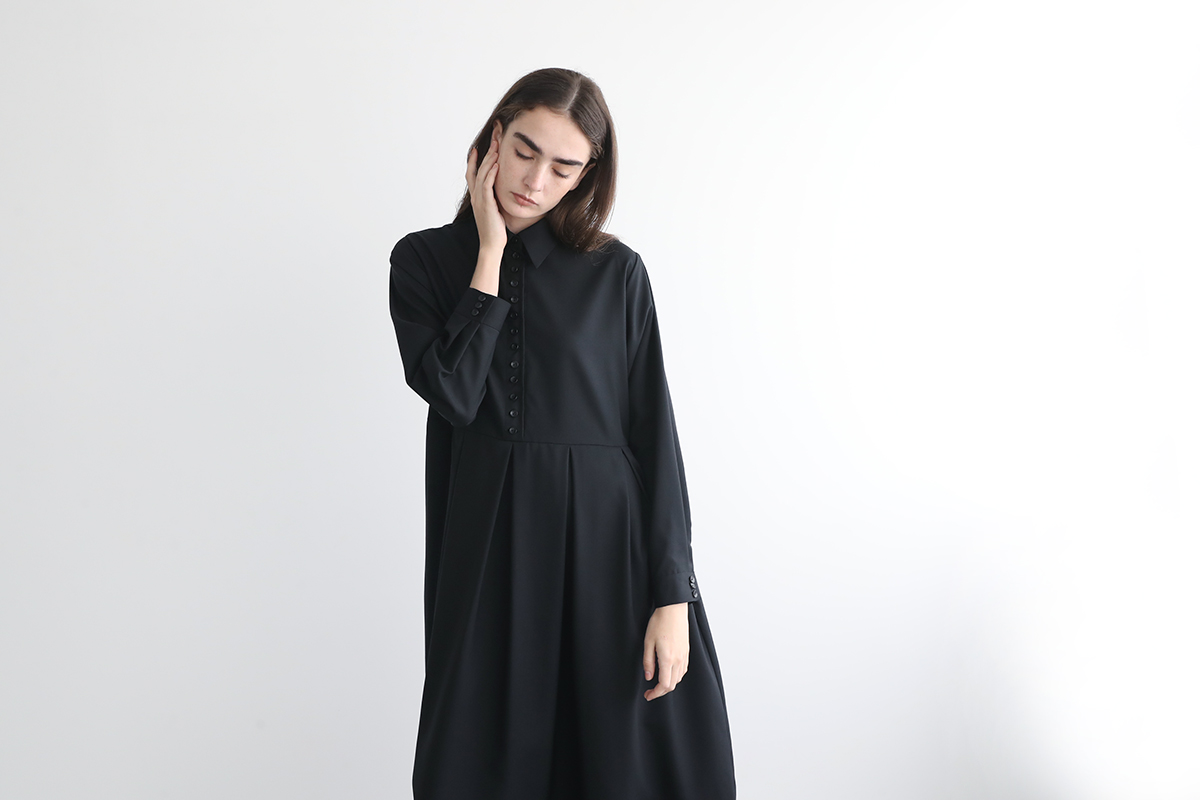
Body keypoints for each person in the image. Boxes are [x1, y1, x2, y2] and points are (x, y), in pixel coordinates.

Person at [388, 67, 736, 800]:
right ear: (494, 138)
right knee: (480, 763)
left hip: (610, 559)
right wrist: (488, 254)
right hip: (489, 557)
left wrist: (672, 596)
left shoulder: (616, 273)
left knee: (624, 763)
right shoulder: (422, 261)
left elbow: (656, 437)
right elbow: (453, 392)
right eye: (524, 150)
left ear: (587, 175)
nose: (535, 180)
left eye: (564, 166)